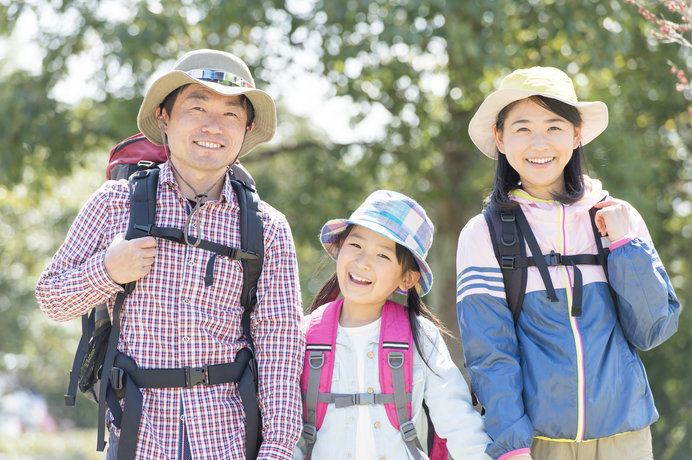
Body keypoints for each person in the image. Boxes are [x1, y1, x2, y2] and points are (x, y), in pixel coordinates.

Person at [36, 49, 305, 459]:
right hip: (138, 438)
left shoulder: (267, 227)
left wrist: (279, 449)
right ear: (164, 117)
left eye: (230, 114)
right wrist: (108, 271)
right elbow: (51, 298)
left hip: (229, 438)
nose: (212, 126)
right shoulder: (114, 203)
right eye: (196, 107)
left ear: (247, 127)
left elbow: (280, 344)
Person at [455, 66, 680, 460]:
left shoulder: (619, 218)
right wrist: (511, 446)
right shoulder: (483, 233)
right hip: (537, 443)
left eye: (554, 127)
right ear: (500, 139)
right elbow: (490, 354)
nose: (539, 143)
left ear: (577, 135)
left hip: (625, 437)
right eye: (522, 128)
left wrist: (625, 245)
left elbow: (653, 329)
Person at [294, 190, 491, 460]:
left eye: (383, 256)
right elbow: (288, 435)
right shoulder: (302, 334)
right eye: (356, 246)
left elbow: (458, 423)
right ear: (340, 248)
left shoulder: (420, 336)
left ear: (407, 279)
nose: (363, 262)